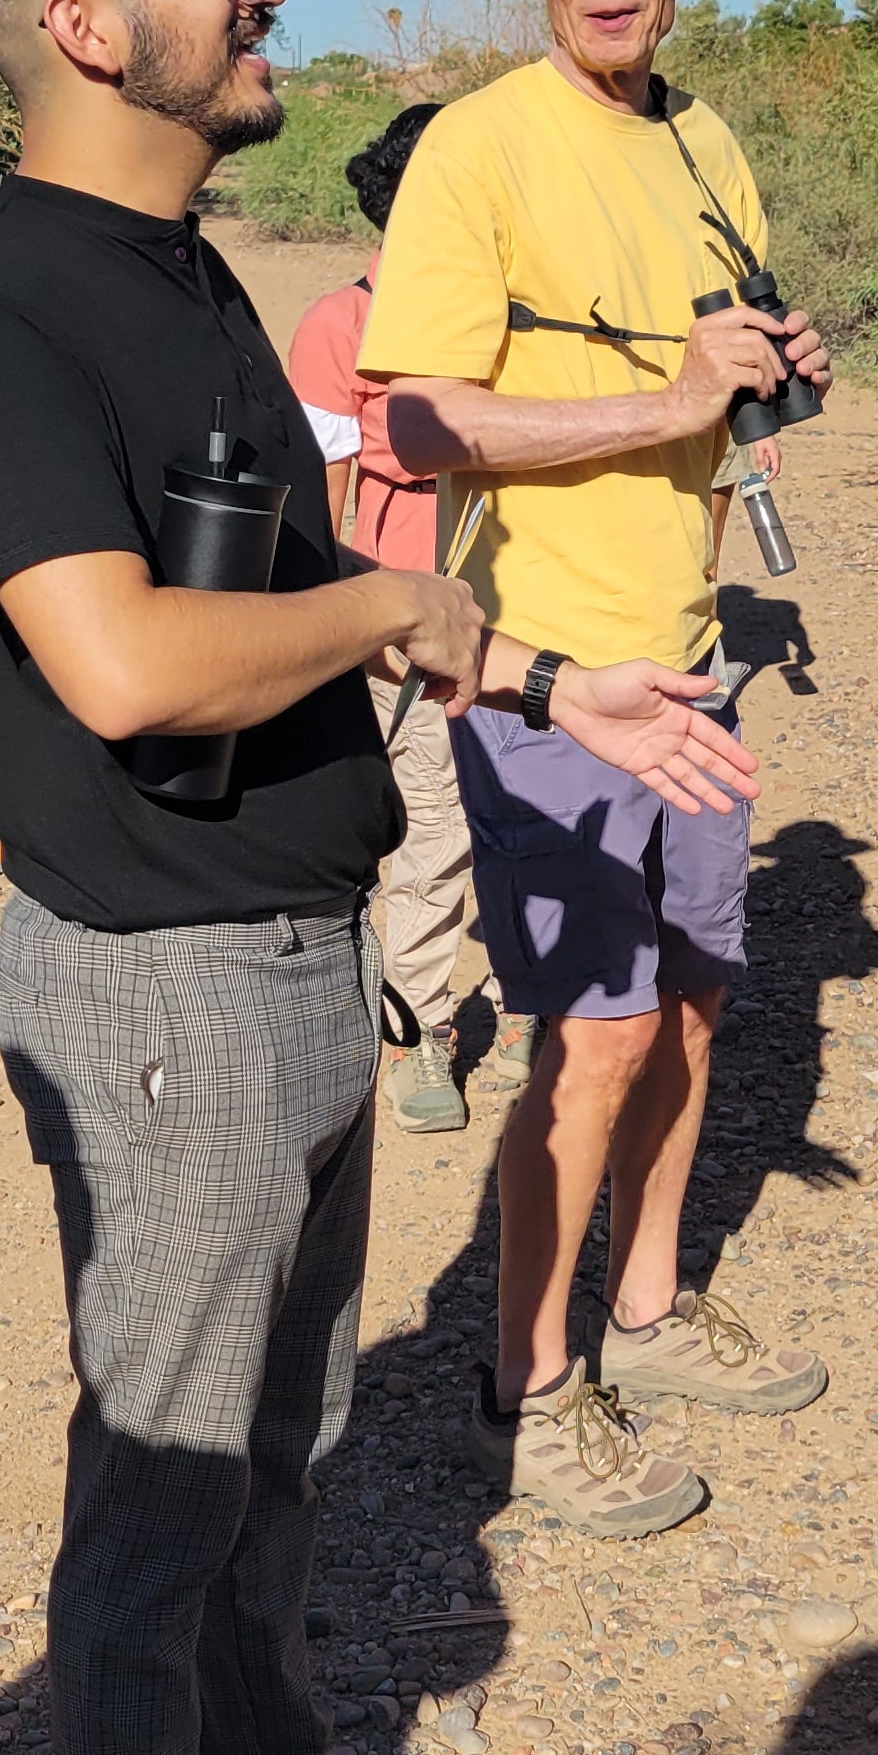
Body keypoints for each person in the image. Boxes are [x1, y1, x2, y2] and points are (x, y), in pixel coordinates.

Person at [0, 0, 759, 1755]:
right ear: (92, 22)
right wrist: (392, 604)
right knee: (167, 1467)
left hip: (286, 941)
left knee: (278, 1438)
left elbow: (316, 603)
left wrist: (555, 691)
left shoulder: (189, 275)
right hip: (166, 977)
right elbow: (123, 666)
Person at [364, 0, 834, 1540]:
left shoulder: (703, 136)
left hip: (692, 654)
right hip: (547, 666)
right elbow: (415, 412)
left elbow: (719, 374)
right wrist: (663, 406)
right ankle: (533, 1383)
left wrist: (780, 376)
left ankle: (649, 1304)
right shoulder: (477, 148)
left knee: (697, 998)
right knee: (597, 1028)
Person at [289, 99, 513, 1140]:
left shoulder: (516, 320)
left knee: (486, 819)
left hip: (511, 607)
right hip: (394, 617)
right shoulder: (341, 325)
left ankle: (469, 1019)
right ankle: (382, 1020)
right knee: (397, 823)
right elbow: (321, 499)